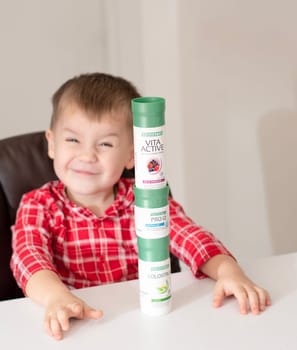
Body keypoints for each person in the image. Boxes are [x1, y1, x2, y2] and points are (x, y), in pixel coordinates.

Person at [11, 73, 271, 341]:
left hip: (146, 325)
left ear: (131, 156)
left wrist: (230, 272)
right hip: (77, 324)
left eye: (105, 144)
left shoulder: (144, 198)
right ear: (52, 143)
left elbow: (191, 236)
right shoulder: (38, 204)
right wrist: (56, 297)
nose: (87, 155)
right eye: (73, 140)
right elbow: (29, 256)